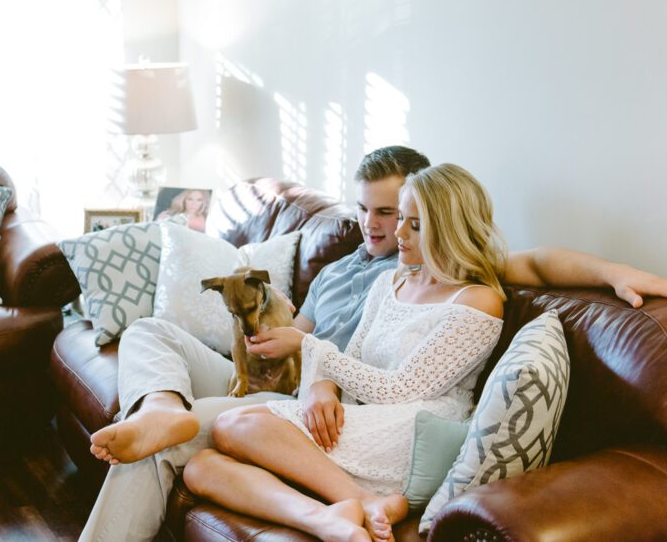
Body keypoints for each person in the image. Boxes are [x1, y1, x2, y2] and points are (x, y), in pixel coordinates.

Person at [81, 146, 667, 542]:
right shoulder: (371, 272)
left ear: (439, 223)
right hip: (313, 391)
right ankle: (168, 410)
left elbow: (532, 265)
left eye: (400, 216)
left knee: (200, 440)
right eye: (369, 211)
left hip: (377, 412)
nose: (379, 226)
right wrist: (312, 370)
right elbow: (332, 348)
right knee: (162, 366)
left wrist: (613, 272)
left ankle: (176, 424)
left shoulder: (467, 289)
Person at [183, 163, 505, 541]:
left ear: (450, 231)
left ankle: (362, 500)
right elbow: (350, 357)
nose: (399, 232)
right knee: (200, 467)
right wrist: (323, 385)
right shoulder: (391, 281)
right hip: (361, 412)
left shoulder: (477, 301)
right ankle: (329, 519)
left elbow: (400, 389)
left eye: (415, 225)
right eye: (402, 218)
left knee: (231, 426)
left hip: (412, 427)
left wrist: (307, 345)